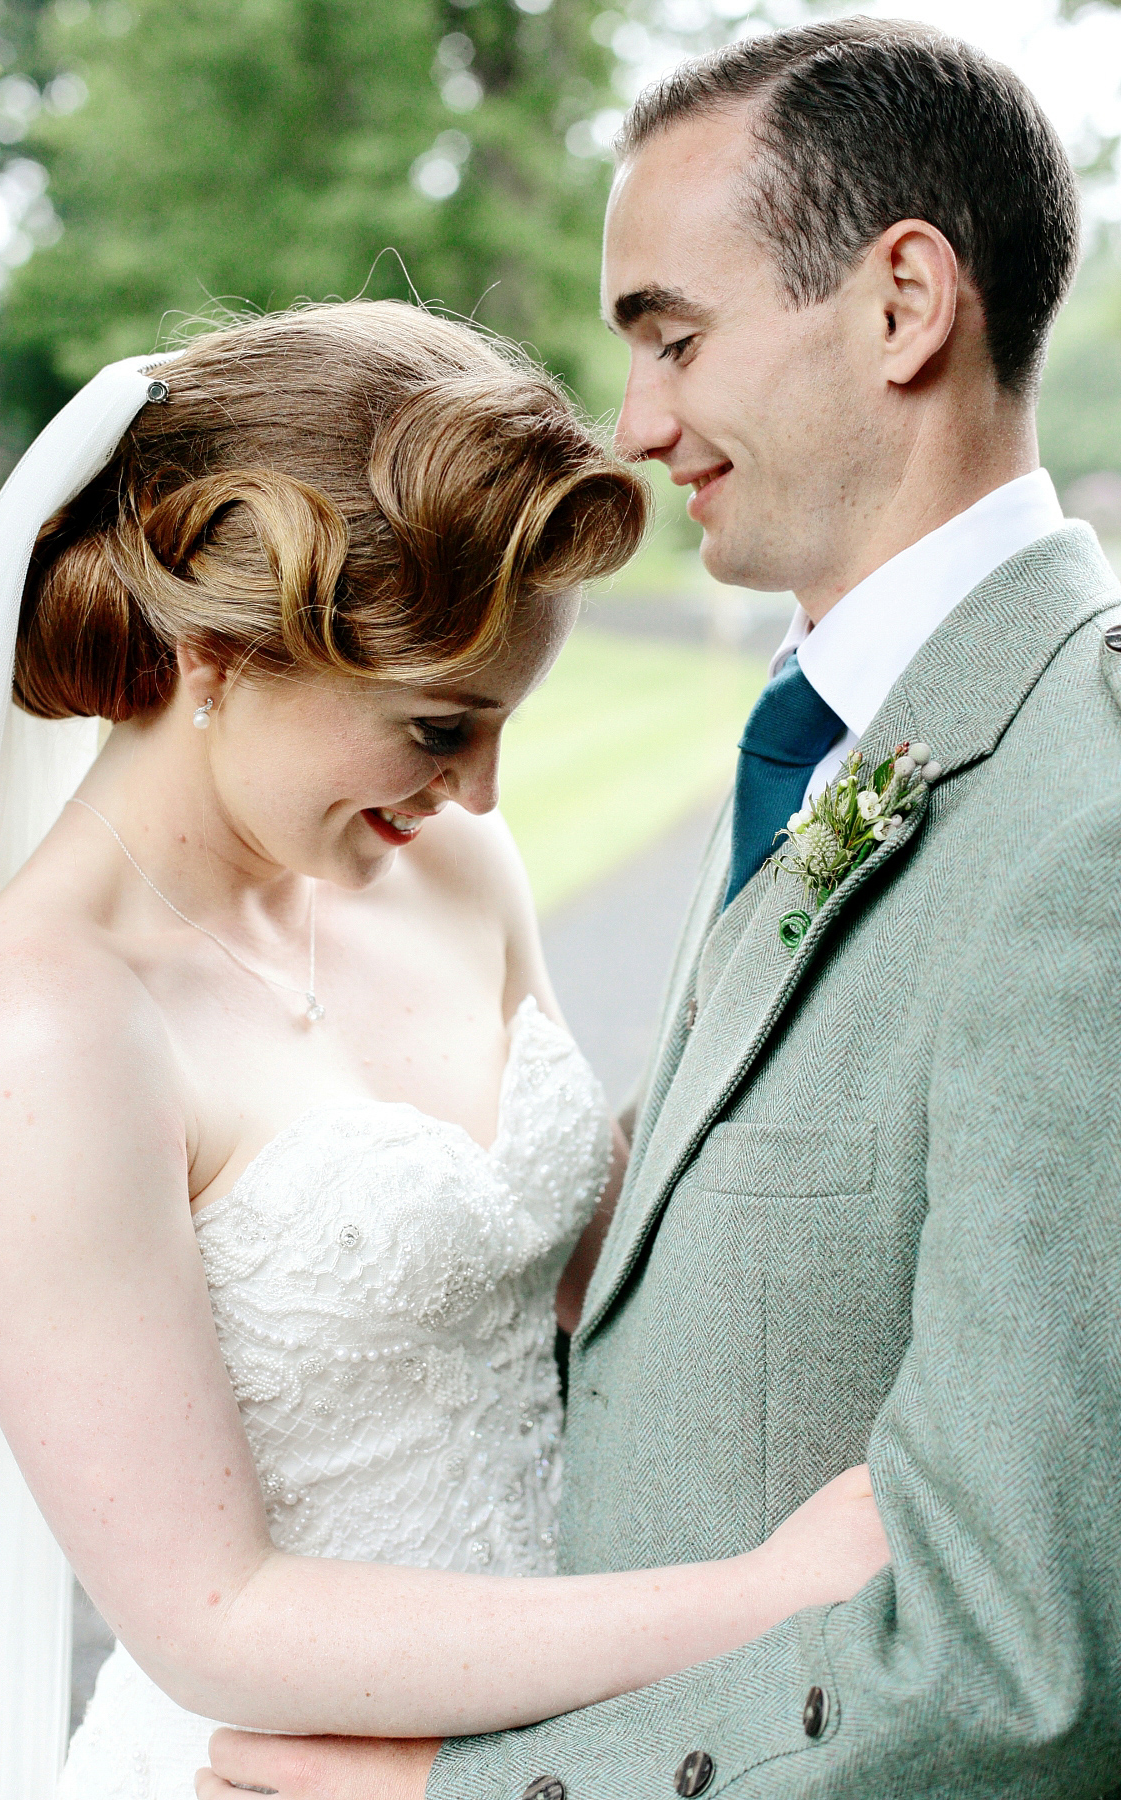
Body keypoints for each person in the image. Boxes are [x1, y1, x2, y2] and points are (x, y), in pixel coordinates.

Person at [201, 19, 1121, 1800]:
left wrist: (445, 1793)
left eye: (675, 339)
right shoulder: (855, 724)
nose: (636, 425)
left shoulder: (1079, 831)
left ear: (904, 304)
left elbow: (1013, 1671)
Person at [0, 300, 889, 1800]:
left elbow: (595, 1272)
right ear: (222, 653)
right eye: (440, 730)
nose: (486, 798)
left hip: (574, 1757)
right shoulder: (41, 1030)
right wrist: (760, 1600)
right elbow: (214, 1621)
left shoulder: (447, 873)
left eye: (504, 725)